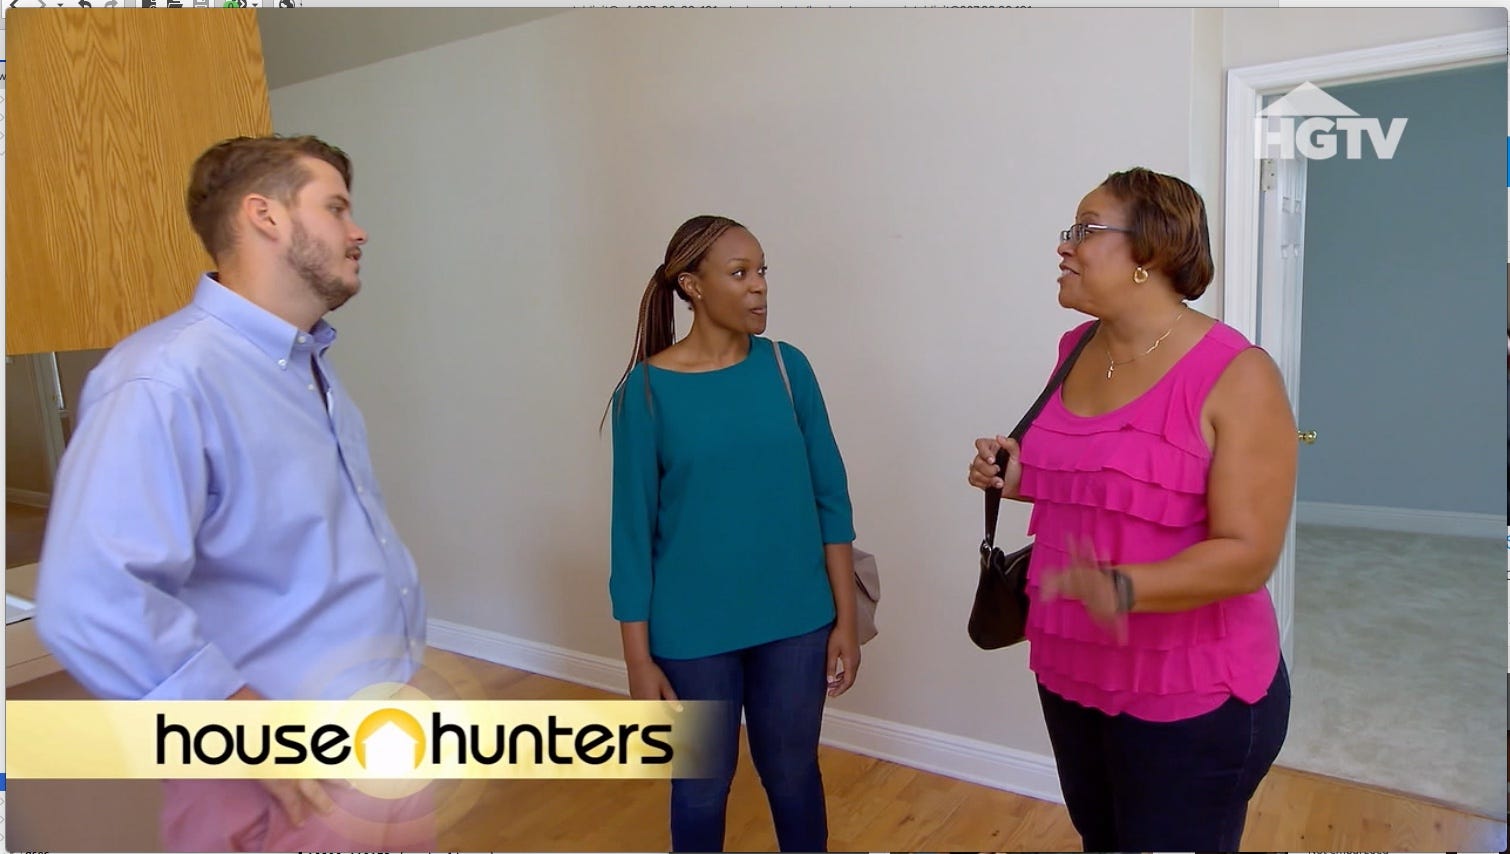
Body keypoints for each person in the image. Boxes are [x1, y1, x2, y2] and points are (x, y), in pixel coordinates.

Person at [34, 134, 433, 852]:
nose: (358, 230)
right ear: (265, 215)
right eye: (336, 207)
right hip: (284, 779)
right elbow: (90, 597)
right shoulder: (162, 379)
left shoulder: (305, 366)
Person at [967, 167, 1296, 851]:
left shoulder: (1239, 373)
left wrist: (1120, 588)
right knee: (1103, 838)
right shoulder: (1078, 349)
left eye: (1084, 230)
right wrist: (1012, 476)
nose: (1064, 245)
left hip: (1192, 689)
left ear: (1149, 251)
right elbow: (1104, 476)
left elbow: (1248, 554)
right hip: (1072, 666)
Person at [606, 215, 859, 852]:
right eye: (740, 273)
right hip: (691, 635)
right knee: (698, 789)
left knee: (794, 776)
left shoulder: (788, 369)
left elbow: (831, 503)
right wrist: (637, 661)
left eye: (762, 270)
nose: (759, 286)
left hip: (797, 622)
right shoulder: (645, 393)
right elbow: (631, 537)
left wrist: (846, 621)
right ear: (691, 286)